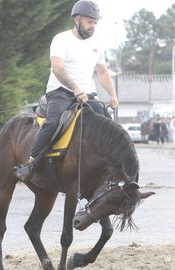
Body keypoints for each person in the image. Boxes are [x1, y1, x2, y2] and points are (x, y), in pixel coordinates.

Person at [14, 0, 119, 182]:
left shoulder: (97, 43)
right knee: (53, 123)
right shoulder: (61, 39)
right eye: (89, 21)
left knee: (108, 127)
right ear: (77, 20)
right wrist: (76, 89)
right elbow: (57, 68)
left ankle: (113, 168)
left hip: (87, 96)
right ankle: (31, 164)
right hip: (60, 92)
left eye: (95, 22)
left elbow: (101, 71)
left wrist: (113, 95)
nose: (92, 26)